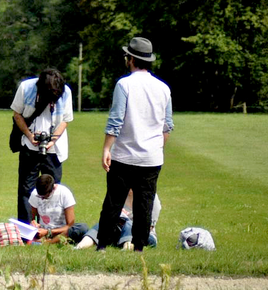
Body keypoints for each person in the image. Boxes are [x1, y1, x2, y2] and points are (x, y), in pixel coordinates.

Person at [92, 36, 173, 252]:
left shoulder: (124, 84)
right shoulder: (163, 88)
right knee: (144, 204)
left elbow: (116, 120)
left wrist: (107, 148)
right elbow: (167, 127)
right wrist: (156, 148)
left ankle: (102, 245)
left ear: (130, 59)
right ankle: (139, 248)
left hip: (124, 155)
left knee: (113, 202)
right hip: (151, 158)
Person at [10, 68, 74, 223]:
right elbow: (17, 114)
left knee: (53, 190)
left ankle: (51, 228)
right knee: (26, 190)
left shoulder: (66, 92)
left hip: (55, 149)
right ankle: (27, 229)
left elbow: (65, 119)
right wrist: (29, 135)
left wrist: (53, 139)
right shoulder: (26, 88)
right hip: (29, 146)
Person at [76, 191, 162, 250]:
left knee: (129, 223)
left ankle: (126, 248)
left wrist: (127, 220)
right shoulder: (120, 193)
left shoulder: (150, 196)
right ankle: (80, 246)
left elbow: (148, 227)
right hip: (119, 231)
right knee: (103, 224)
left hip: (144, 236)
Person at [27, 174, 88, 243]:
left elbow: (70, 225)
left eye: (45, 197)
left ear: (53, 189)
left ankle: (48, 242)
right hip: (42, 232)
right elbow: (34, 217)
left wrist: (48, 232)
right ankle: (46, 240)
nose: (42, 199)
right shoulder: (35, 194)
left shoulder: (64, 193)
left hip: (62, 233)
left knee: (82, 227)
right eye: (40, 196)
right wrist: (34, 223)